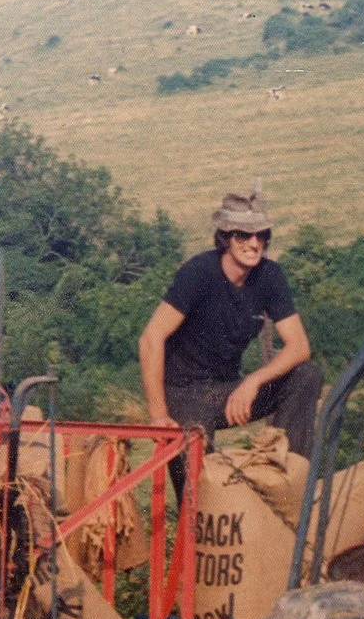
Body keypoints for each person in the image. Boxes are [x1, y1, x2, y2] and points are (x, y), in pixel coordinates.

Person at [137, 184, 323, 492]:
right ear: (226, 238)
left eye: (260, 235)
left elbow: (299, 346)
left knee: (306, 375)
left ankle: (288, 481)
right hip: (185, 393)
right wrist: (158, 415)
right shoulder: (199, 273)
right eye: (243, 235)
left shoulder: (269, 275)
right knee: (203, 495)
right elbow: (151, 338)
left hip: (226, 389)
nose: (253, 244)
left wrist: (253, 382)